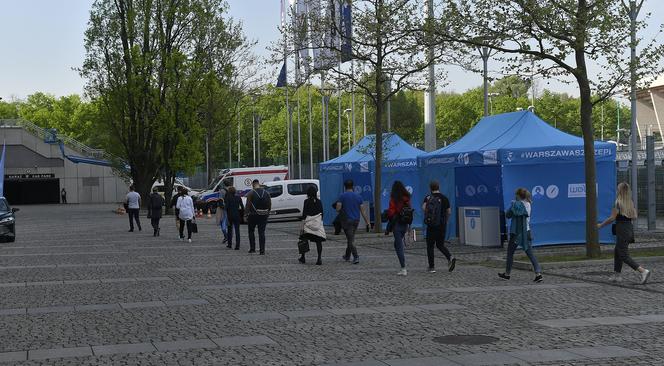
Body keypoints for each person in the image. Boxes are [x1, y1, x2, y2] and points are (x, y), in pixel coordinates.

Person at [598, 182, 651, 284]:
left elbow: (612, 218)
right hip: (629, 228)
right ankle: (617, 275)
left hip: (622, 229)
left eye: (618, 189)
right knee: (617, 251)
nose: (617, 190)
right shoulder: (630, 202)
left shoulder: (618, 202)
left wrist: (601, 225)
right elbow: (634, 217)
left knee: (623, 255)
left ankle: (643, 271)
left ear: (620, 191)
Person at [499, 188, 542, 282]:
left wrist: (512, 204)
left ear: (518, 195)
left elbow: (508, 215)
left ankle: (507, 274)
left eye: (516, 194)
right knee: (530, 254)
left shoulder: (515, 204)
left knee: (510, 253)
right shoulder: (529, 204)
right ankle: (538, 273)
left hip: (516, 232)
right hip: (526, 231)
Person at [422, 180, 456, 273]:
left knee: (430, 246)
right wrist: (446, 220)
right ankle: (450, 257)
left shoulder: (428, 197)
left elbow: (424, 208)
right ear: (438, 187)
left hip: (431, 225)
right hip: (442, 225)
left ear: (430, 188)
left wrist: (429, 214)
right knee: (440, 244)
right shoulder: (444, 198)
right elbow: (449, 212)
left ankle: (432, 267)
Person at [336, 179, 370, 264]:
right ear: (353, 186)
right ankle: (347, 256)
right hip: (356, 220)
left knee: (351, 240)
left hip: (347, 221)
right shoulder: (358, 196)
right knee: (350, 238)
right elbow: (363, 211)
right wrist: (367, 222)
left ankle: (356, 257)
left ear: (345, 187)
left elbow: (338, 208)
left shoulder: (342, 196)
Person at [386, 181, 412, 276]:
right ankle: (402, 265)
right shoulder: (407, 198)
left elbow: (391, 212)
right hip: (404, 223)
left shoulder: (394, 198)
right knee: (397, 244)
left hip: (397, 224)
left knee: (399, 245)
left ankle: (403, 267)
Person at [299, 185, 326, 265]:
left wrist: (302, 224)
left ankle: (303, 257)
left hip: (308, 225)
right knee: (318, 241)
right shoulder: (319, 202)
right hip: (317, 225)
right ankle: (319, 258)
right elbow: (322, 213)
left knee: (304, 239)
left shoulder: (306, 201)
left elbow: (304, 214)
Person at [245, 179, 271, 254]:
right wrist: (268, 212)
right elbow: (269, 204)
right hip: (264, 214)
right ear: (258, 184)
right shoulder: (266, 193)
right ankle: (262, 250)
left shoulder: (251, 193)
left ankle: (252, 248)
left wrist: (245, 214)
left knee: (251, 231)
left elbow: (248, 205)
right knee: (261, 232)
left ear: (253, 185)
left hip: (253, 215)